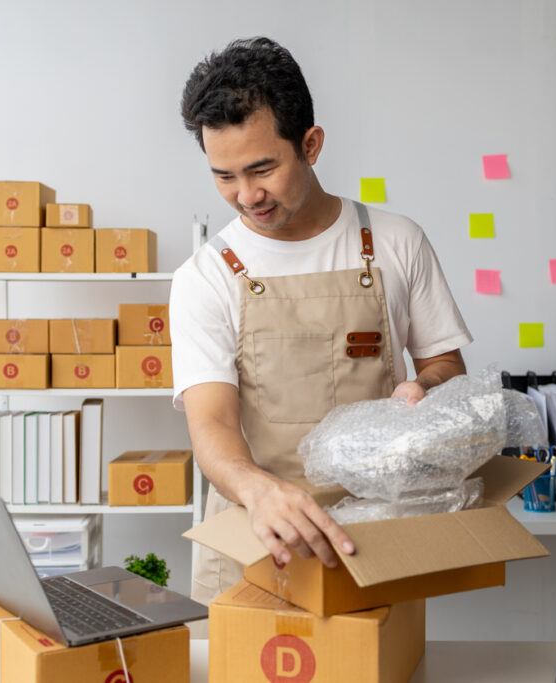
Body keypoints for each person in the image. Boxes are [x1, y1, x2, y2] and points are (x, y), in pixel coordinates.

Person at [172, 37, 472, 605]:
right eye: (224, 176)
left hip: (376, 536)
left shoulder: (394, 241)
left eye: (262, 168)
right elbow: (211, 425)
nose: (246, 195)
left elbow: (446, 366)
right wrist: (260, 491)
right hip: (253, 539)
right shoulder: (204, 276)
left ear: (311, 144)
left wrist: (426, 387)